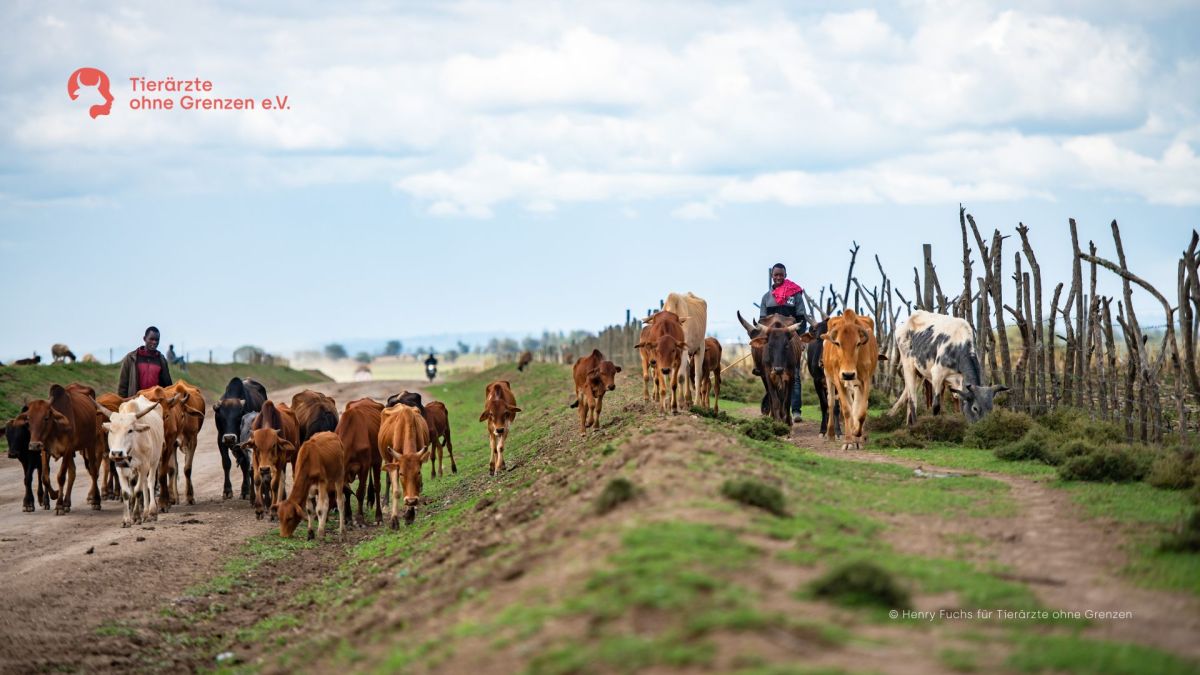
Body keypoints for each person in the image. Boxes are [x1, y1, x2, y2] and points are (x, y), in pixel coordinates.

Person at [759, 263, 807, 416]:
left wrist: (798, 338)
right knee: (767, 371)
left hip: (789, 339)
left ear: (785, 275)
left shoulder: (795, 295)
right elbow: (761, 321)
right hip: (772, 342)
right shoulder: (767, 297)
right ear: (772, 276)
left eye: (781, 274)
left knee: (794, 375)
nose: (778, 277)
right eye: (776, 275)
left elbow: (801, 318)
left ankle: (796, 410)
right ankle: (774, 405)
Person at [118, 326, 173, 397]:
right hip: (136, 403)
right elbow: (123, 386)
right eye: (151, 339)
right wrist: (123, 403)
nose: (154, 342)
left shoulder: (161, 360)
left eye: (157, 340)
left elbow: (167, 386)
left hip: (155, 403)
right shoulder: (131, 358)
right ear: (144, 339)